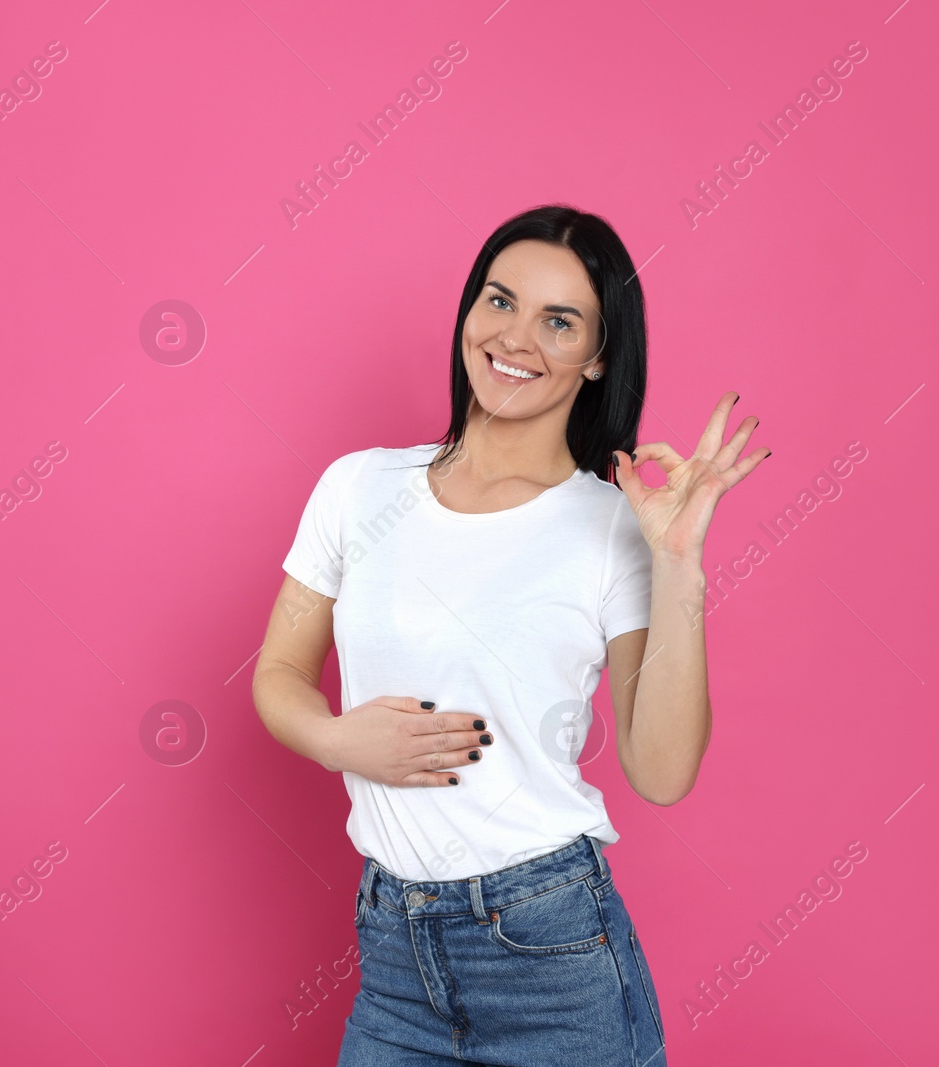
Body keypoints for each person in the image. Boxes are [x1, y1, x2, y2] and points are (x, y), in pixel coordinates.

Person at [252, 203, 769, 1065]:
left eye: (558, 321)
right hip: (393, 955)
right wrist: (342, 740)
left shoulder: (613, 526)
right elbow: (277, 671)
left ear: (598, 356)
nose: (515, 338)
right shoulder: (358, 489)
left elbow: (663, 770)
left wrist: (679, 563)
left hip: (552, 954)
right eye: (500, 301)